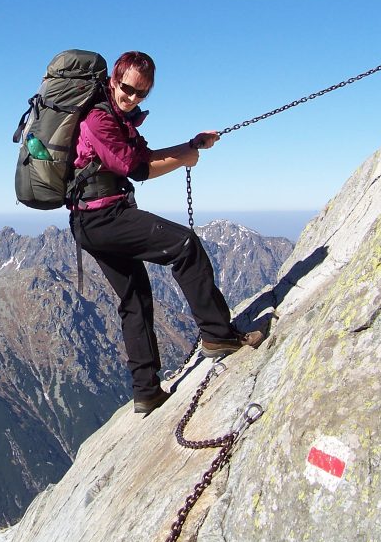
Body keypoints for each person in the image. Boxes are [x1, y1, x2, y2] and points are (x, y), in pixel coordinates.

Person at [68, 51, 264, 414]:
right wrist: (183, 159)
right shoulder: (99, 118)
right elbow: (135, 168)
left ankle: (146, 391)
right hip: (104, 218)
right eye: (127, 88)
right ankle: (217, 334)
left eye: (141, 93)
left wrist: (191, 146)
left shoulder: (118, 119)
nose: (132, 97)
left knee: (135, 298)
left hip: (92, 221)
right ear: (113, 80)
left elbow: (147, 156)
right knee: (185, 245)